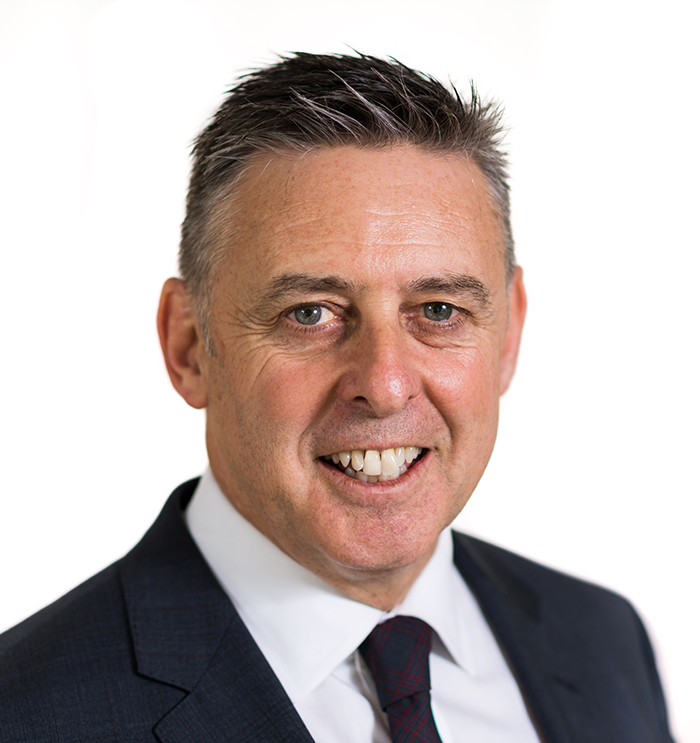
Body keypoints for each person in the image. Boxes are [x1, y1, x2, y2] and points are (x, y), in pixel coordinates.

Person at [0, 52, 673, 742]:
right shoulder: (25, 715)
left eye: (438, 311)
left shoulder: (603, 641)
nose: (384, 385)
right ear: (189, 345)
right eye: (310, 313)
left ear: (508, 333)